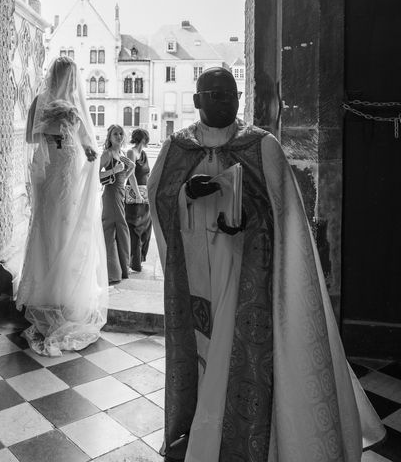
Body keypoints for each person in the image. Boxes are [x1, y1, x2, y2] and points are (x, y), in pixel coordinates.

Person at [147, 67, 385, 461]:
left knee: (232, 354)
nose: (225, 101)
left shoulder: (262, 146)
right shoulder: (177, 148)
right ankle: (199, 433)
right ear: (196, 101)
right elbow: (160, 196)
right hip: (195, 278)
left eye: (230, 94)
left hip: (246, 278)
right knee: (204, 355)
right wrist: (186, 194)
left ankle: (237, 440)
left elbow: (284, 216)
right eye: (214, 94)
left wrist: (249, 220)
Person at [16, 56, 109, 357]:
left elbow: (85, 140)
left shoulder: (74, 101)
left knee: (69, 226)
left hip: (70, 167)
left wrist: (91, 151)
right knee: (47, 226)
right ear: (58, 75)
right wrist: (51, 128)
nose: (72, 82)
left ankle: (66, 294)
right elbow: (30, 135)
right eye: (69, 76)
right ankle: (45, 293)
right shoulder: (41, 99)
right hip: (48, 170)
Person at [100, 124, 135, 284]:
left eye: (121, 134)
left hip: (120, 194)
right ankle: (112, 272)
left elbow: (125, 175)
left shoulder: (120, 153)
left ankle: (120, 269)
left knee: (120, 229)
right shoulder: (107, 154)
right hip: (110, 194)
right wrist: (114, 171)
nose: (119, 136)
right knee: (112, 229)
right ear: (109, 137)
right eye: (115, 134)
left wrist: (130, 169)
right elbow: (95, 176)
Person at [125, 128, 153, 272]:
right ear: (143, 138)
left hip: (145, 194)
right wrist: (137, 194)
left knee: (147, 227)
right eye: (147, 137)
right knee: (135, 227)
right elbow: (131, 175)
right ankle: (134, 262)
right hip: (134, 195)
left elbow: (148, 175)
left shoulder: (144, 154)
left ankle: (139, 259)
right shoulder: (131, 152)